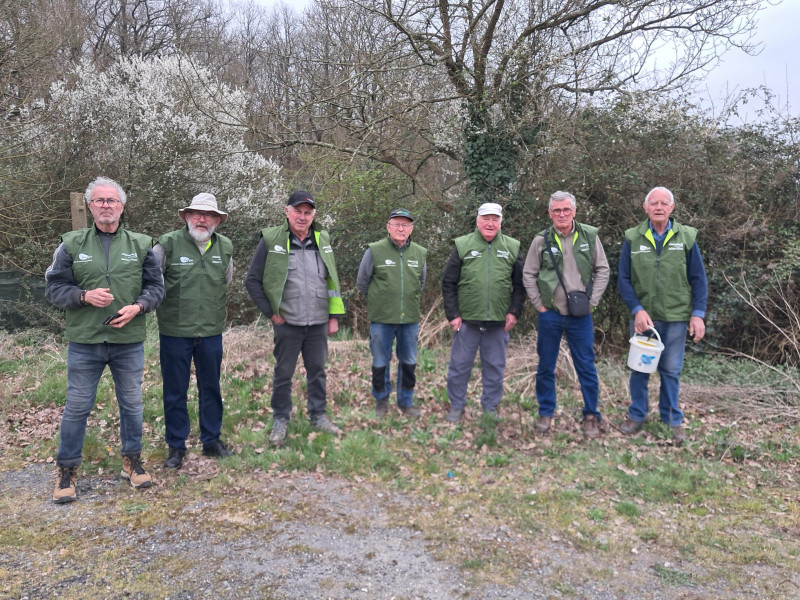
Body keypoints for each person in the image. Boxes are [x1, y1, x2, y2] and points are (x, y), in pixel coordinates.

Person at [45, 176, 165, 503]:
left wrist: (139, 307)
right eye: (99, 200)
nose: (106, 206)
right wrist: (83, 296)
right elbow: (54, 288)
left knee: (132, 404)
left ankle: (132, 461)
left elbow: (156, 288)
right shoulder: (70, 244)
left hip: (128, 341)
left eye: (112, 200)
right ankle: (67, 469)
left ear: (122, 207)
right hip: (85, 342)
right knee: (77, 406)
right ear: (90, 206)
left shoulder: (142, 245)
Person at [245, 190, 345, 445]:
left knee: (317, 371)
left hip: (318, 322)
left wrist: (334, 316)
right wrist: (271, 313)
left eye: (307, 213)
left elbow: (331, 280)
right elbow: (252, 281)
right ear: (287, 212)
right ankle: (280, 420)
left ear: (314, 215)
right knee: (283, 374)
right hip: (287, 322)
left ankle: (318, 416)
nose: (302, 217)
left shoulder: (323, 239)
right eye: (297, 211)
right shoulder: (271, 239)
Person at [618, 186, 708, 443]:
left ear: (672, 208)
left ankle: (671, 418)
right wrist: (636, 310)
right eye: (654, 203)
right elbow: (623, 279)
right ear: (645, 208)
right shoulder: (633, 238)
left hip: (676, 317)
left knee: (670, 370)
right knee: (639, 369)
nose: (659, 207)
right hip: (643, 318)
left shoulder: (686, 237)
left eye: (664, 203)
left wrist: (698, 314)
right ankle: (637, 414)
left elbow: (698, 278)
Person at [153, 193, 234, 470]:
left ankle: (211, 441)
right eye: (197, 213)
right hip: (175, 331)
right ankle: (176, 446)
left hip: (211, 331)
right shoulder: (166, 245)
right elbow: (152, 282)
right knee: (175, 390)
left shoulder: (225, 247)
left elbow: (226, 281)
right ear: (186, 216)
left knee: (211, 387)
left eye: (209, 215)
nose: (202, 219)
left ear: (217, 221)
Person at [522, 191, 610, 438]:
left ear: (574, 211)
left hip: (581, 315)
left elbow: (602, 269)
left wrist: (592, 302)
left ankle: (591, 415)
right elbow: (528, 274)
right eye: (557, 210)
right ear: (550, 213)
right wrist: (539, 304)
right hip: (550, 314)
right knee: (546, 367)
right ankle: (545, 412)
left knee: (586, 367)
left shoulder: (589, 236)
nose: (562, 214)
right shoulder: (541, 240)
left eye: (566, 210)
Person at [441, 202, 525, 422]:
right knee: (459, 367)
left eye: (495, 219)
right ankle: (457, 406)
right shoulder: (462, 245)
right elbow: (448, 283)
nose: (490, 223)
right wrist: (453, 314)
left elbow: (520, 285)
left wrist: (514, 311)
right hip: (466, 322)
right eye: (486, 219)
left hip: (498, 322)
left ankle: (490, 408)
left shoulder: (512, 246)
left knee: (495, 368)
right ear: (477, 221)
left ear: (500, 223)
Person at [356, 208, 427, 419]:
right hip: (381, 319)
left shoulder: (420, 253)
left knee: (409, 361)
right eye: (396, 224)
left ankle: (406, 402)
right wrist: (382, 302)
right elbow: (362, 282)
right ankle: (381, 399)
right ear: (388, 227)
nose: (400, 229)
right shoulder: (374, 251)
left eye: (405, 225)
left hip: (409, 319)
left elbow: (420, 283)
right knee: (380, 361)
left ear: (411, 228)